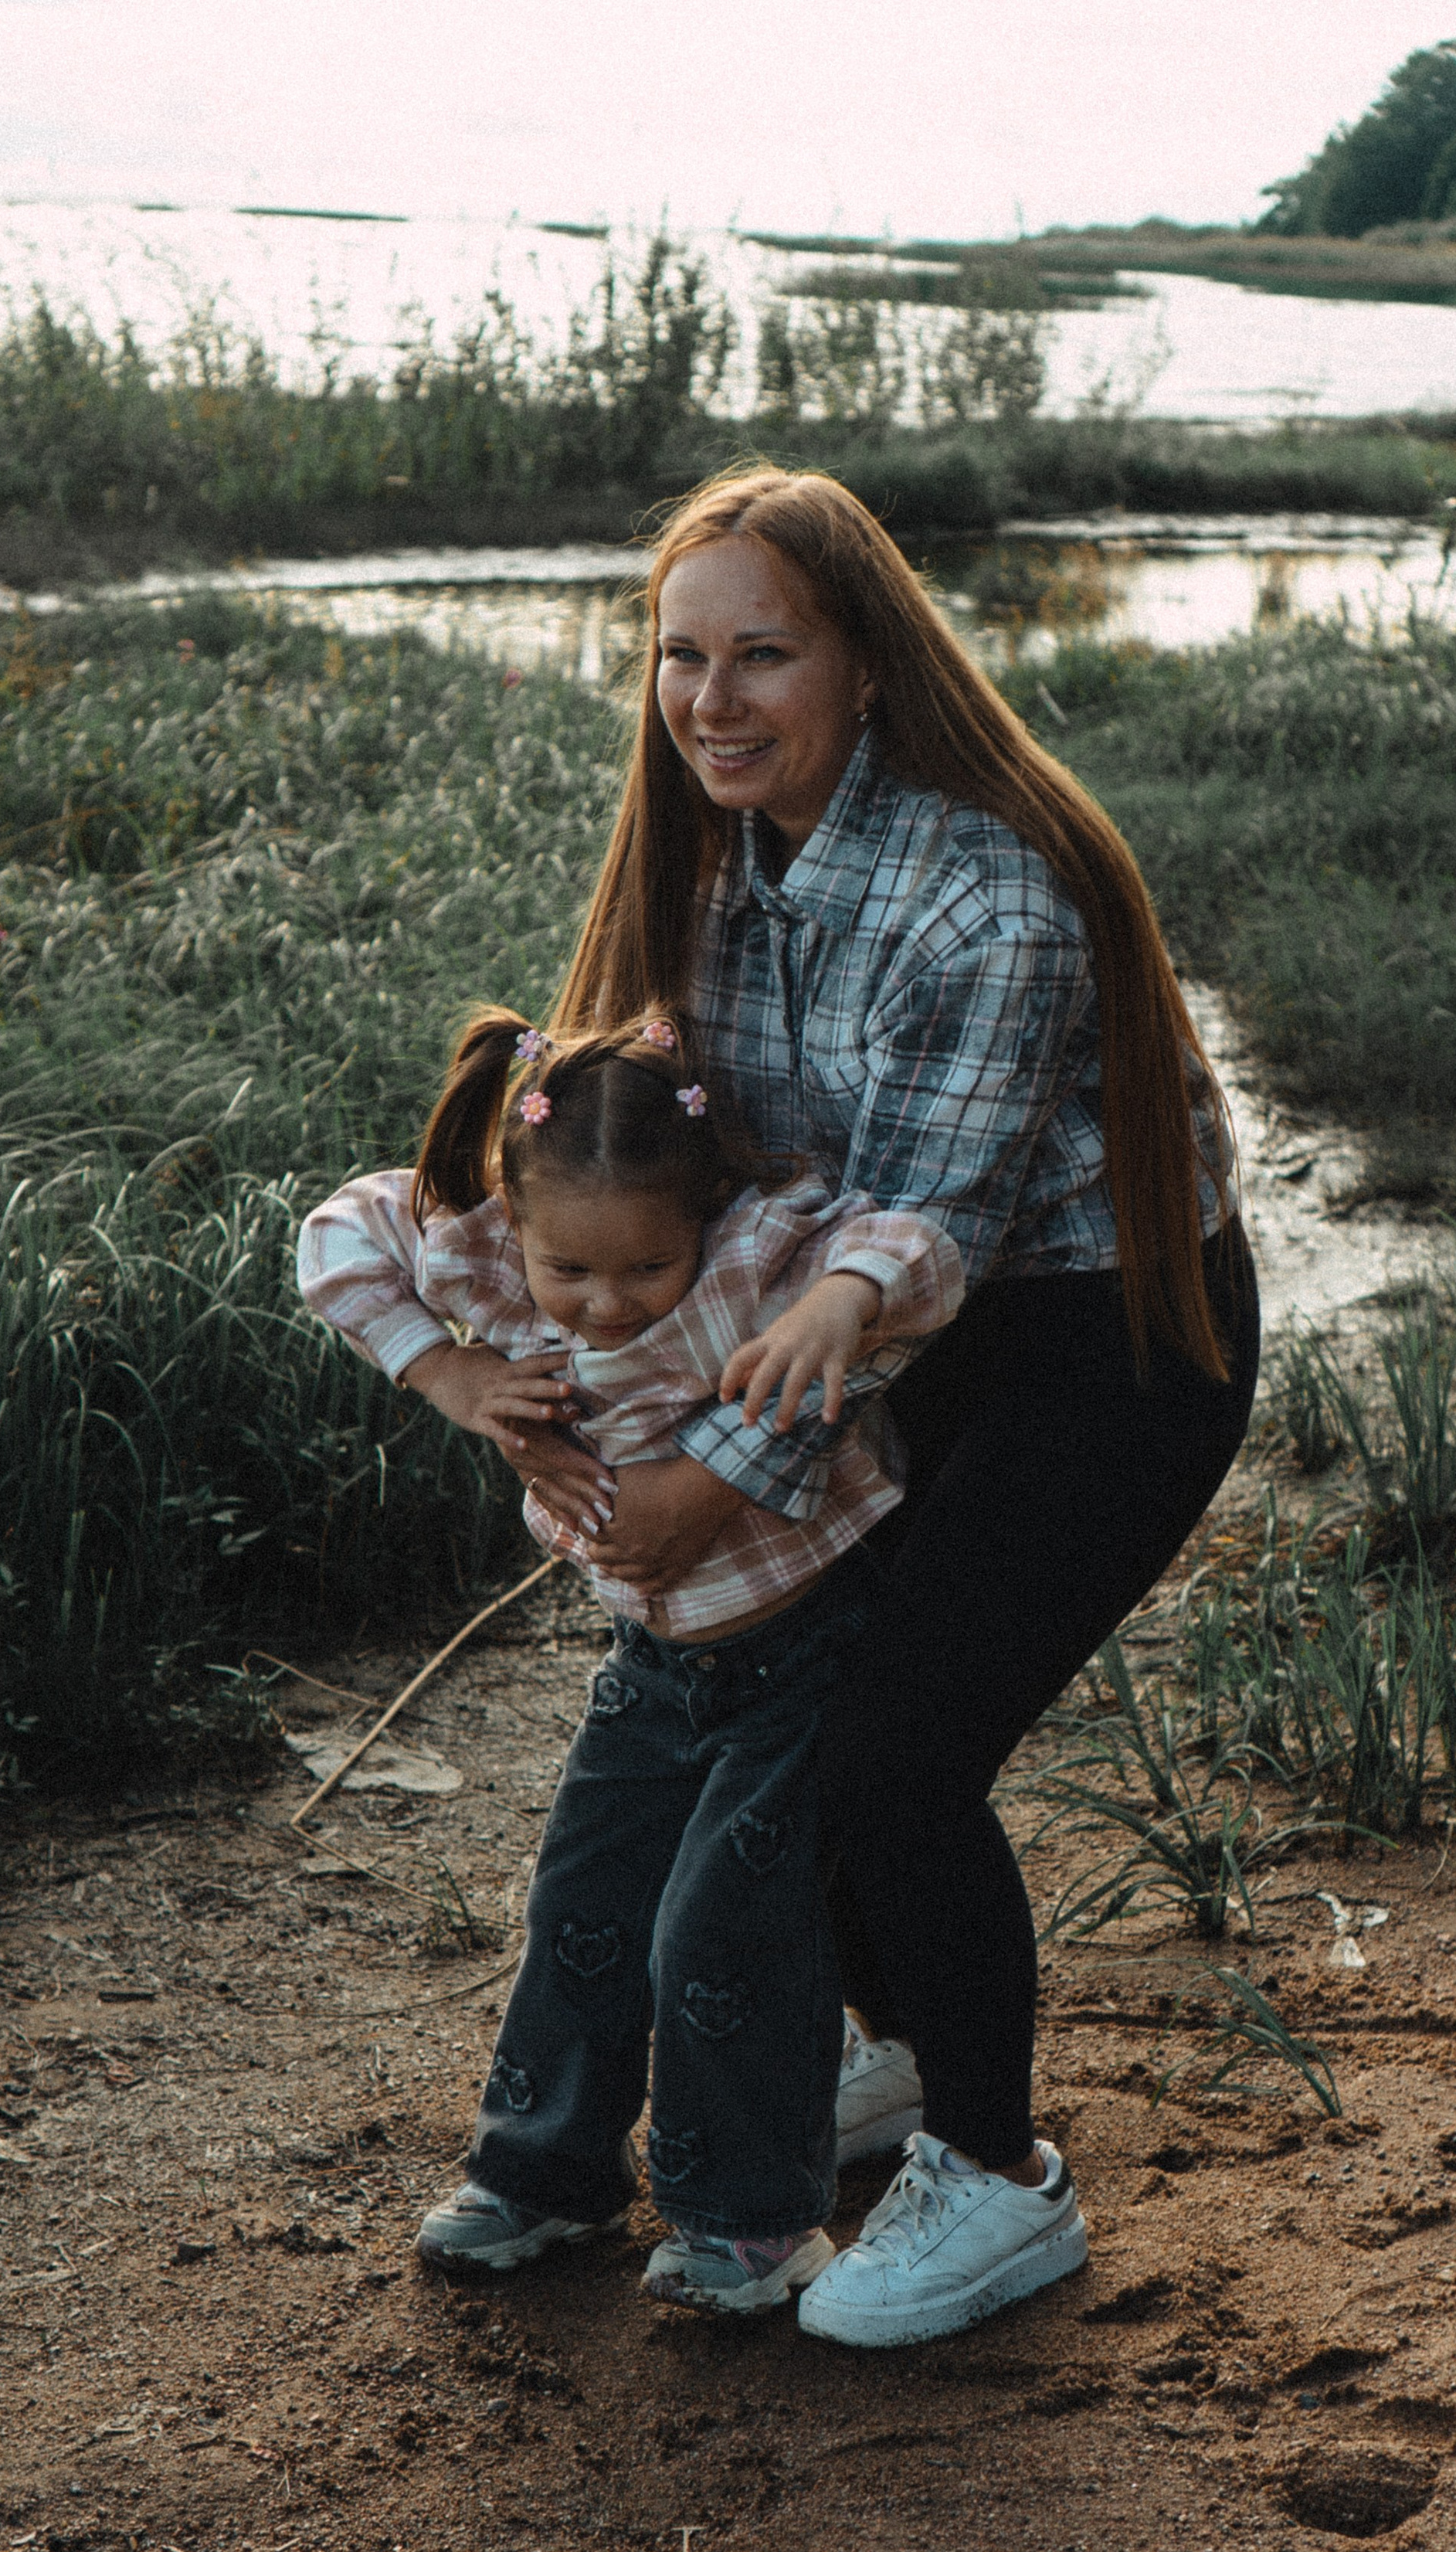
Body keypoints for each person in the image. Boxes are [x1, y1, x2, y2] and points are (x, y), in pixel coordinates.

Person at [504, 464, 1261, 2353]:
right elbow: (647, 1175)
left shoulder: (986, 895)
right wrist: (515, 1381)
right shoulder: (704, 861)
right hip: (887, 1328)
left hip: (1106, 1341)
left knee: (890, 1753)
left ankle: (998, 2183)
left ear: (864, 662)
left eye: (764, 653)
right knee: (805, 1712)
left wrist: (701, 1486)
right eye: (681, 656)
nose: (711, 701)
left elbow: (911, 1235)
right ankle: (920, 2056)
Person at [297, 1014, 962, 2312]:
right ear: (517, 1219)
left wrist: (841, 1302)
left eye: (643, 1268)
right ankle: (541, 2176)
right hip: (650, 1665)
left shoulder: (757, 1251)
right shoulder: (486, 1251)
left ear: (704, 1214)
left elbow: (921, 1243)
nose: (605, 1303)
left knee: (720, 1931)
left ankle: (753, 2223)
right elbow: (332, 1238)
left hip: (802, 1649)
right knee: (581, 1906)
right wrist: (448, 1373)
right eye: (572, 1273)